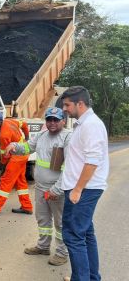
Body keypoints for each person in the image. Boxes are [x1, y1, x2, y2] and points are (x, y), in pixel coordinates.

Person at [5, 107, 71, 266]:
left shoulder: (68, 138)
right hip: (41, 188)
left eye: (56, 119)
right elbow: (27, 148)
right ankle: (43, 246)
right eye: (49, 119)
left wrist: (57, 189)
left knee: (61, 223)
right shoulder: (42, 135)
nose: (52, 122)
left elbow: (70, 168)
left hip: (57, 190)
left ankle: (62, 253)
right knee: (43, 219)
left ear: (63, 120)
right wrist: (15, 145)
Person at [60, 86, 109, 281]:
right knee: (85, 233)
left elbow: (93, 161)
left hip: (84, 189)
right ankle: (89, 277)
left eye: (67, 105)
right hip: (80, 188)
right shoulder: (82, 124)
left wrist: (77, 188)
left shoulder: (91, 125)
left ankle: (81, 278)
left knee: (73, 235)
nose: (64, 108)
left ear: (80, 104)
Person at [0, 111, 33, 216]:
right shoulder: (10, 121)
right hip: (23, 154)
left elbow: (5, 155)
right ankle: (27, 207)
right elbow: (24, 124)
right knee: (20, 181)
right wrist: (26, 138)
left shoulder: (3, 135)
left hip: (17, 157)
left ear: (0, 121)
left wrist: (1, 167)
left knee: (6, 181)